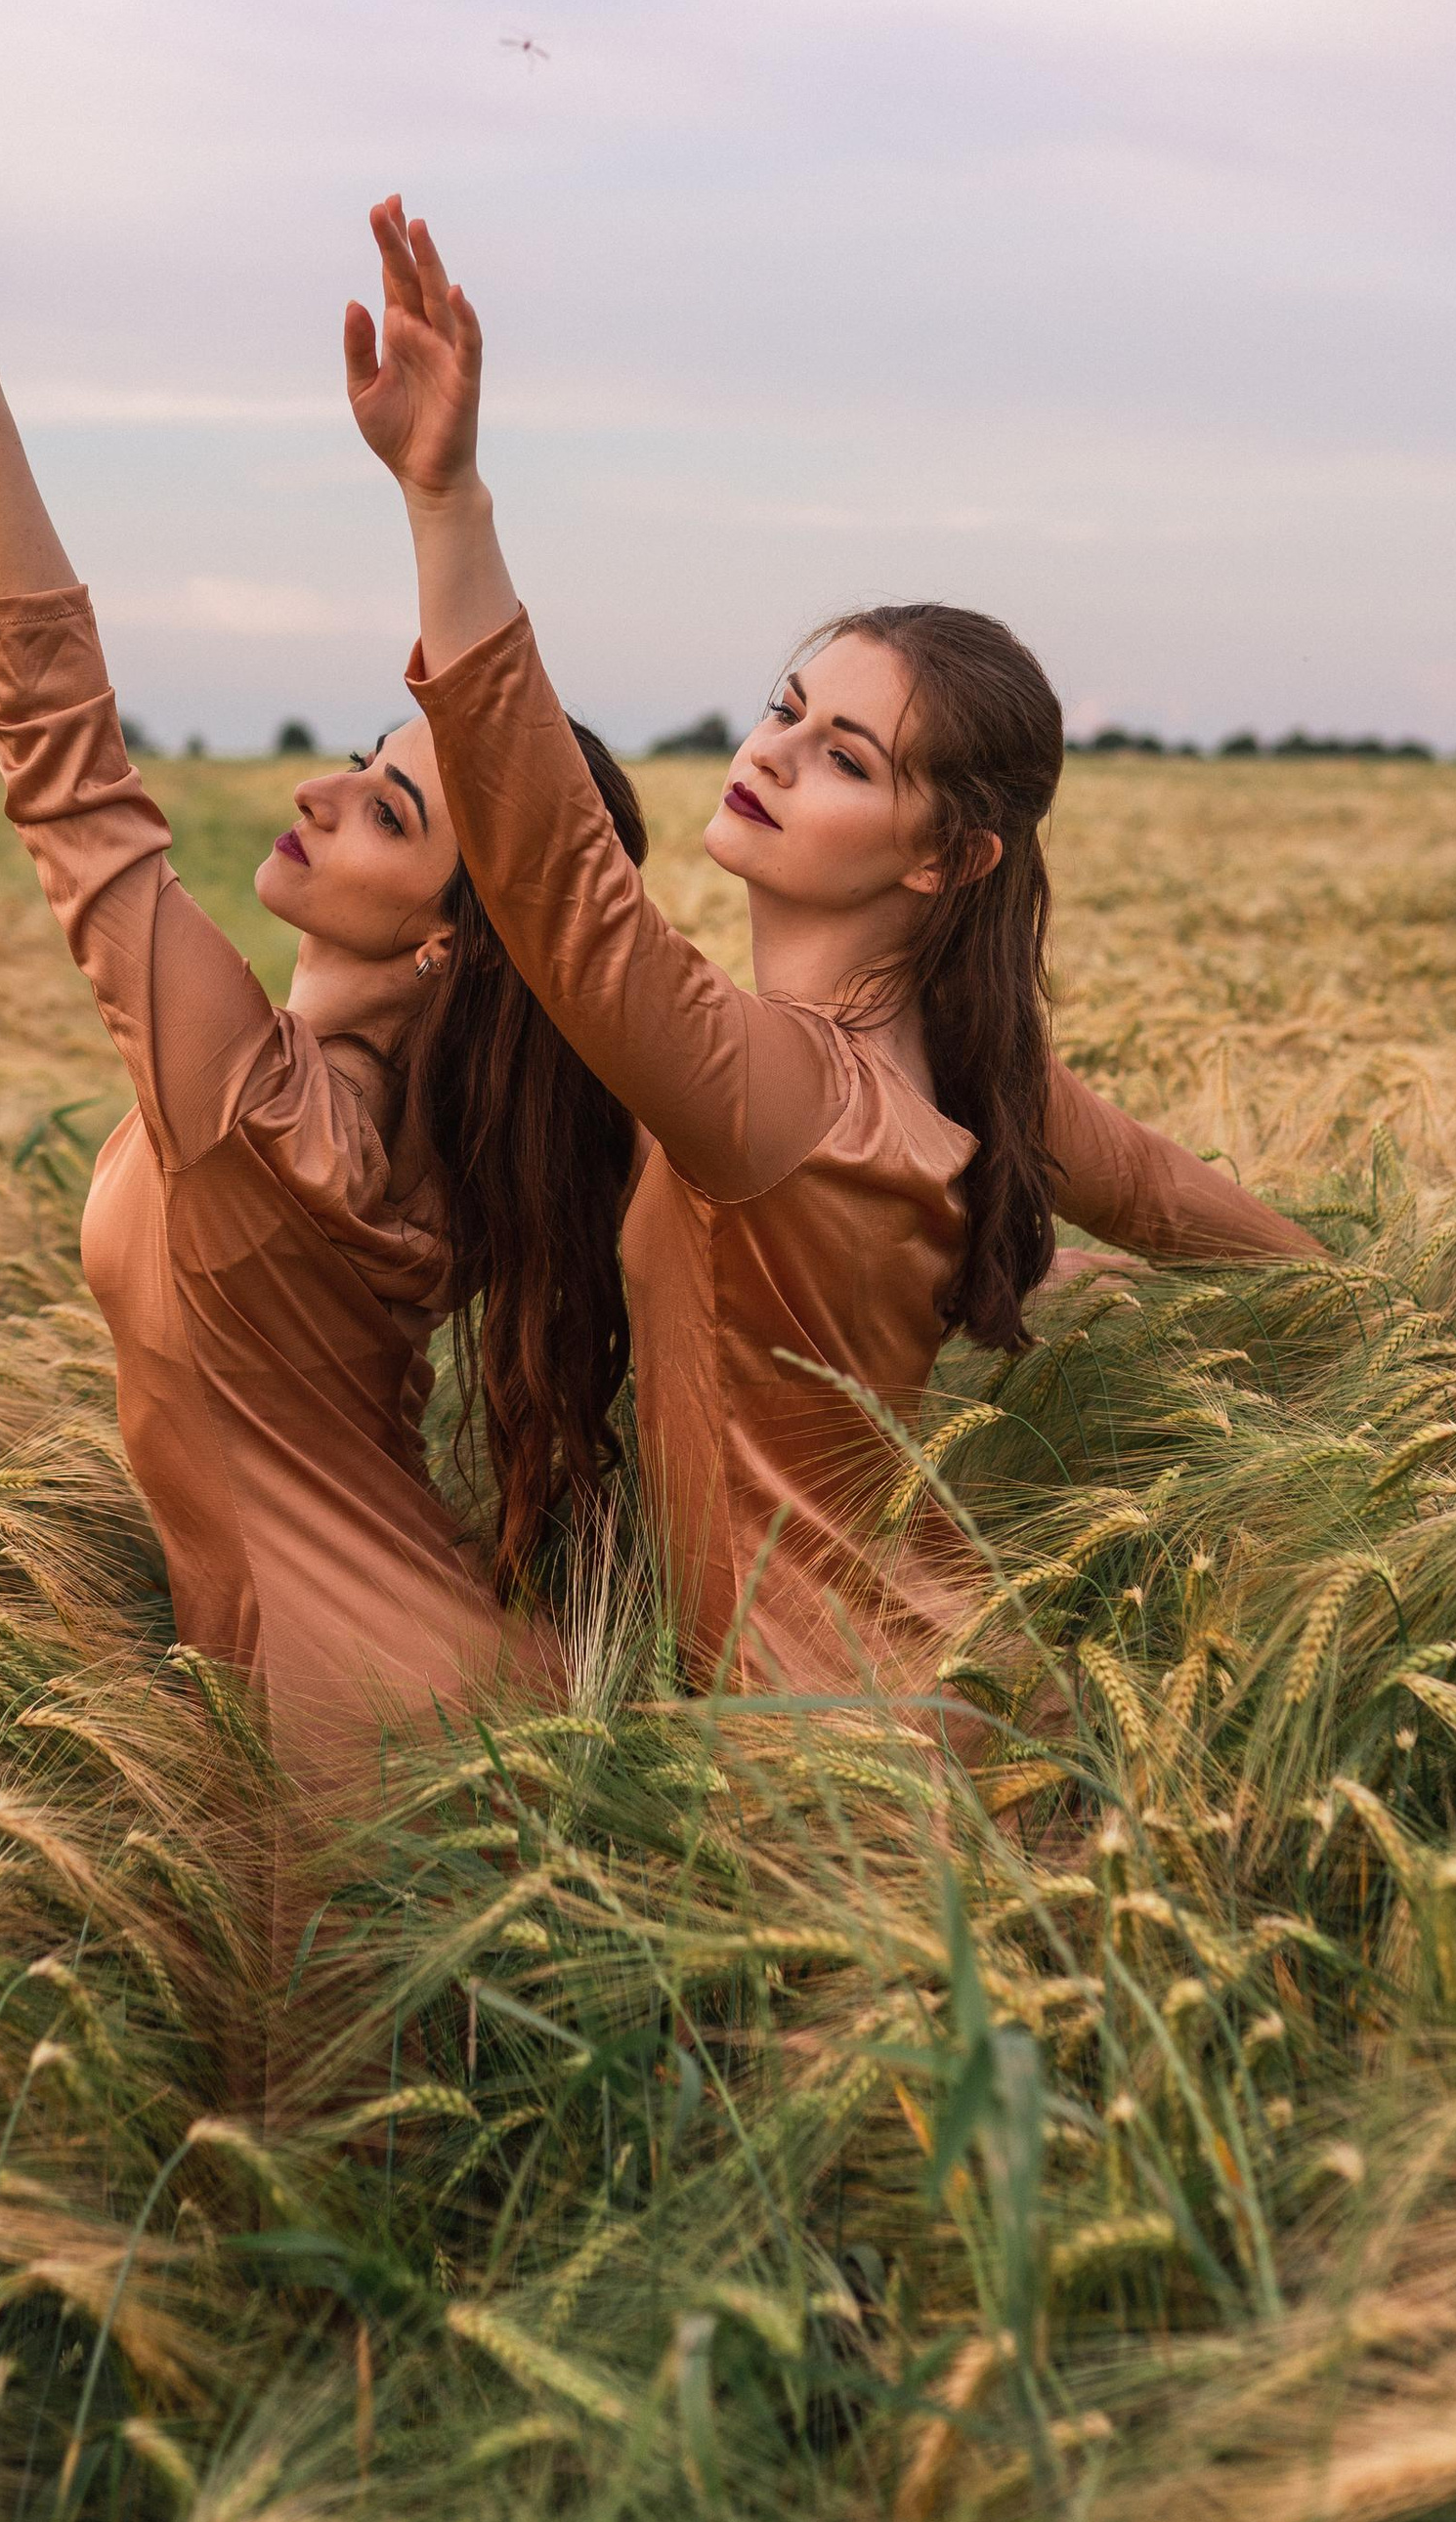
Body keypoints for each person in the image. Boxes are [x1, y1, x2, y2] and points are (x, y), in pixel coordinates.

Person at [347, 194, 1324, 1715]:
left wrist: (448, 502)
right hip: (935, 1709)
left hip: (825, 1777)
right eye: (786, 706)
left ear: (946, 856)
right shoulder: (968, 1063)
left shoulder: (780, 1088)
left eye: (849, 756)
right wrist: (1386, 1318)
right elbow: (1179, 1203)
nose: (777, 753)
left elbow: (553, 885)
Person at [0, 26, 642, 1848]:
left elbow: (62, 752)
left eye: (392, 808)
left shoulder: (275, 1124)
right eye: (364, 755)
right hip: (345, 1714)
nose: (320, 789)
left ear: (450, 944)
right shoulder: (405, 1140)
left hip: (347, 1748)